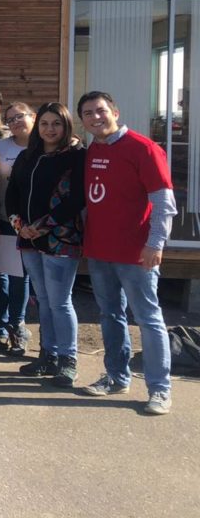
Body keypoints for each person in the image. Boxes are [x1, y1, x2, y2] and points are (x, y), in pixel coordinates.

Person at [77, 91, 176, 415]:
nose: (96, 117)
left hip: (137, 254)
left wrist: (156, 244)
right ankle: (117, 377)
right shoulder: (93, 149)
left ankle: (159, 390)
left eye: (101, 110)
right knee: (110, 316)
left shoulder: (143, 148)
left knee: (148, 319)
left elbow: (164, 203)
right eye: (88, 113)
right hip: (100, 251)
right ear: (82, 121)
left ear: (115, 112)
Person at [6, 102, 85, 387]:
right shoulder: (28, 156)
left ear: (66, 126)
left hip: (60, 238)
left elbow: (76, 199)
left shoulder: (76, 156)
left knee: (60, 301)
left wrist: (41, 226)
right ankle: (48, 355)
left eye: (56, 124)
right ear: (37, 126)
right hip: (28, 238)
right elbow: (12, 193)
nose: (50, 129)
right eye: (45, 124)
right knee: (43, 299)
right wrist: (19, 225)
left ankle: (68, 359)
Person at [0, 101, 36, 354]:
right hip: (5, 221)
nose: (15, 122)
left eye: (20, 117)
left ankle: (18, 325)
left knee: (21, 276)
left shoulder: (43, 146)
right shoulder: (0, 147)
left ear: (33, 117)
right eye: (10, 119)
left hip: (34, 225)